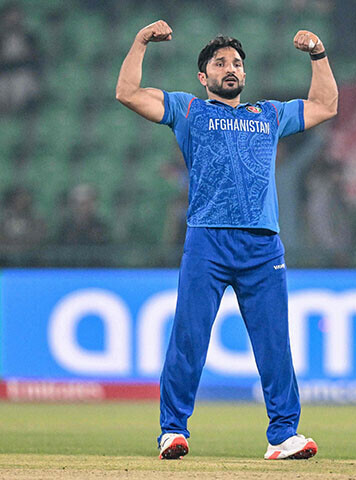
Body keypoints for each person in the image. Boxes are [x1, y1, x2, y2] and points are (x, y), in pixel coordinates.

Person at [115, 20, 337, 460]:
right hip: (208, 241)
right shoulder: (189, 110)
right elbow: (127, 92)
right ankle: (172, 431)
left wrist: (318, 54)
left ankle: (283, 435)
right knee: (189, 339)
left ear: (245, 73)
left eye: (236, 63)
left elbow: (325, 105)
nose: (230, 68)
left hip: (262, 245)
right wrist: (140, 40)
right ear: (204, 77)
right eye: (219, 63)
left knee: (275, 344)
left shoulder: (268, 115)